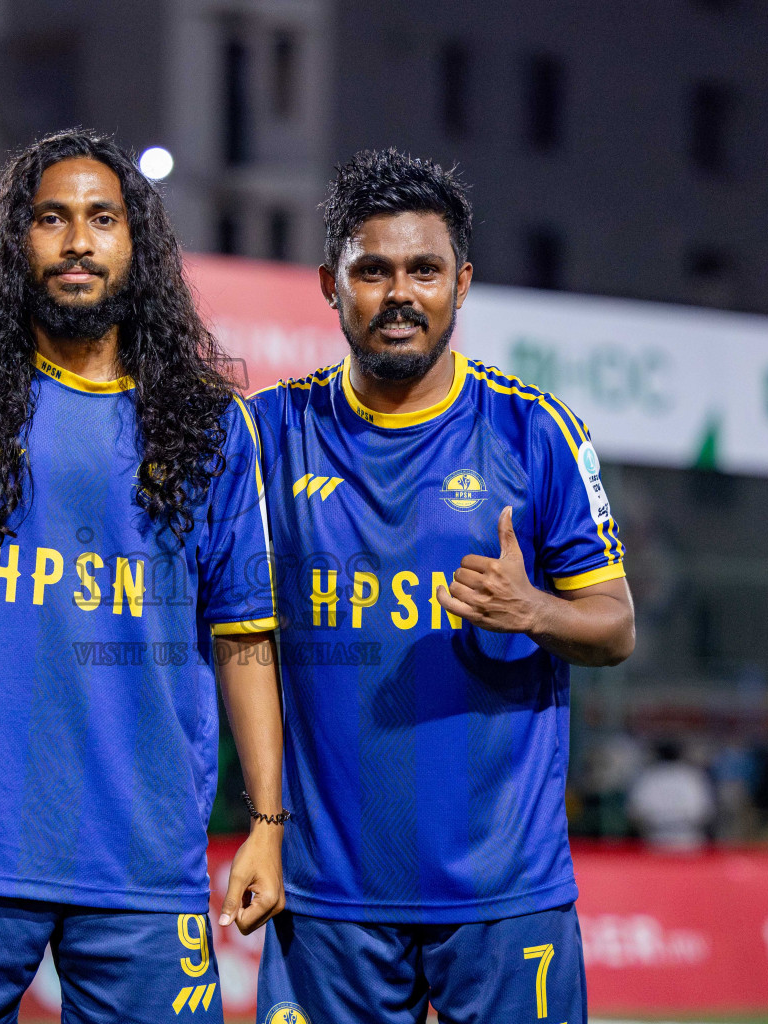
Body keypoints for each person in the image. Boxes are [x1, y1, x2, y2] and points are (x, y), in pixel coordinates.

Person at [0, 129, 285, 1024]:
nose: (77, 241)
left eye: (102, 219)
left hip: (143, 865)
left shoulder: (212, 430)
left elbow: (245, 637)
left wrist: (268, 823)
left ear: (135, 244)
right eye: (51, 219)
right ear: (15, 243)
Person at [249, 150, 635, 1024]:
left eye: (424, 269)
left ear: (463, 283)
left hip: (506, 891)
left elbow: (614, 628)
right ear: (329, 284)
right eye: (372, 270)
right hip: (328, 894)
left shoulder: (535, 431)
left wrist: (530, 609)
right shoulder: (268, 433)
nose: (399, 294)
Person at [627, 740, 716, 851]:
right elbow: (704, 811)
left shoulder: (648, 776)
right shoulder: (692, 775)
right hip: (667, 838)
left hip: (676, 838)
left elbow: (636, 812)